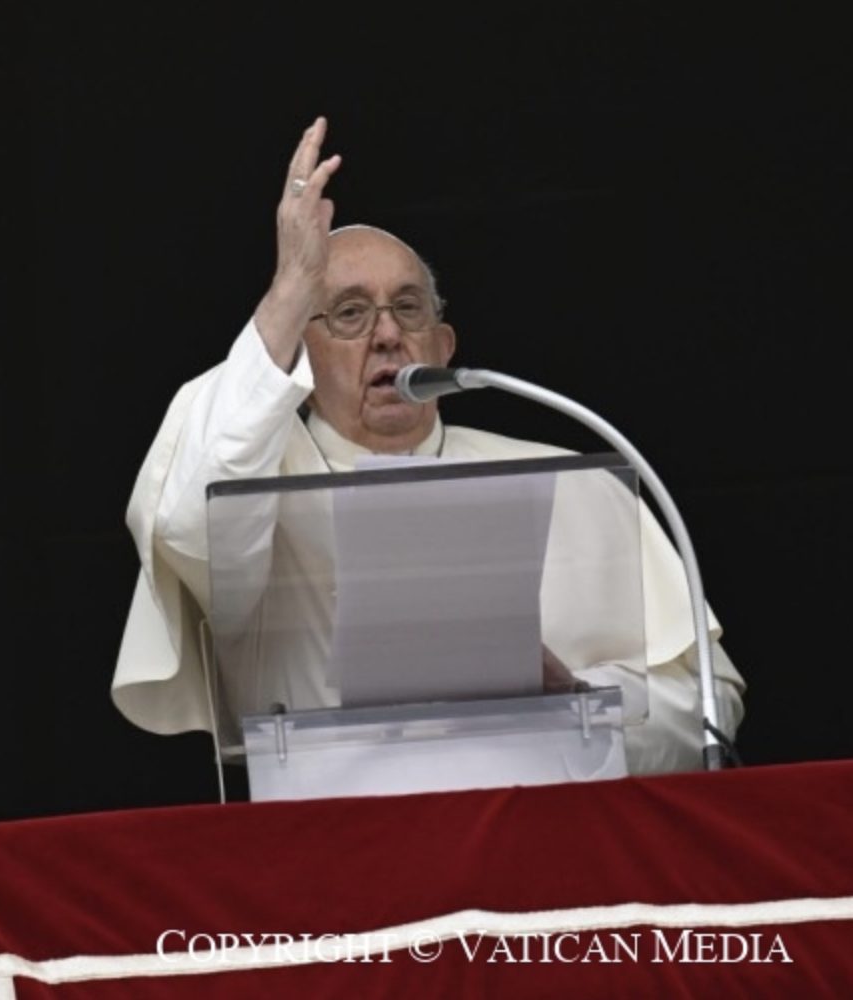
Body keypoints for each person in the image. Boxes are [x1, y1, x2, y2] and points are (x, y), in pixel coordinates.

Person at [111, 117, 745, 775]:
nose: (387, 335)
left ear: (443, 348)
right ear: (300, 355)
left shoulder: (568, 481)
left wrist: (579, 703)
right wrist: (289, 292)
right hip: (330, 851)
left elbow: (709, 705)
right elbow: (187, 526)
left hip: (545, 849)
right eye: (350, 314)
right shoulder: (252, 489)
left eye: (408, 308)